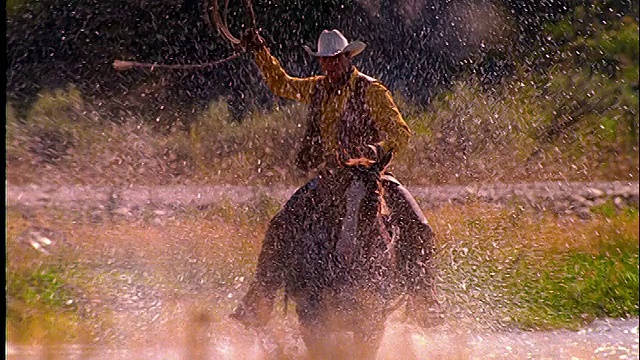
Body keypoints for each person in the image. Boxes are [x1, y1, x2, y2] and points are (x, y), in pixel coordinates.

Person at [230, 29, 440, 328]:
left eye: (335, 59)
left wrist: (374, 149)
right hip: (329, 178)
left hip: (372, 177)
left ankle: (424, 298)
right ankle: (260, 299)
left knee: (419, 226)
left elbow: (400, 134)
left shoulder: (372, 91)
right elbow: (281, 84)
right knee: (280, 226)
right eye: (324, 61)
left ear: (346, 57)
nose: (330, 66)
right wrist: (260, 51)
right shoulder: (316, 88)